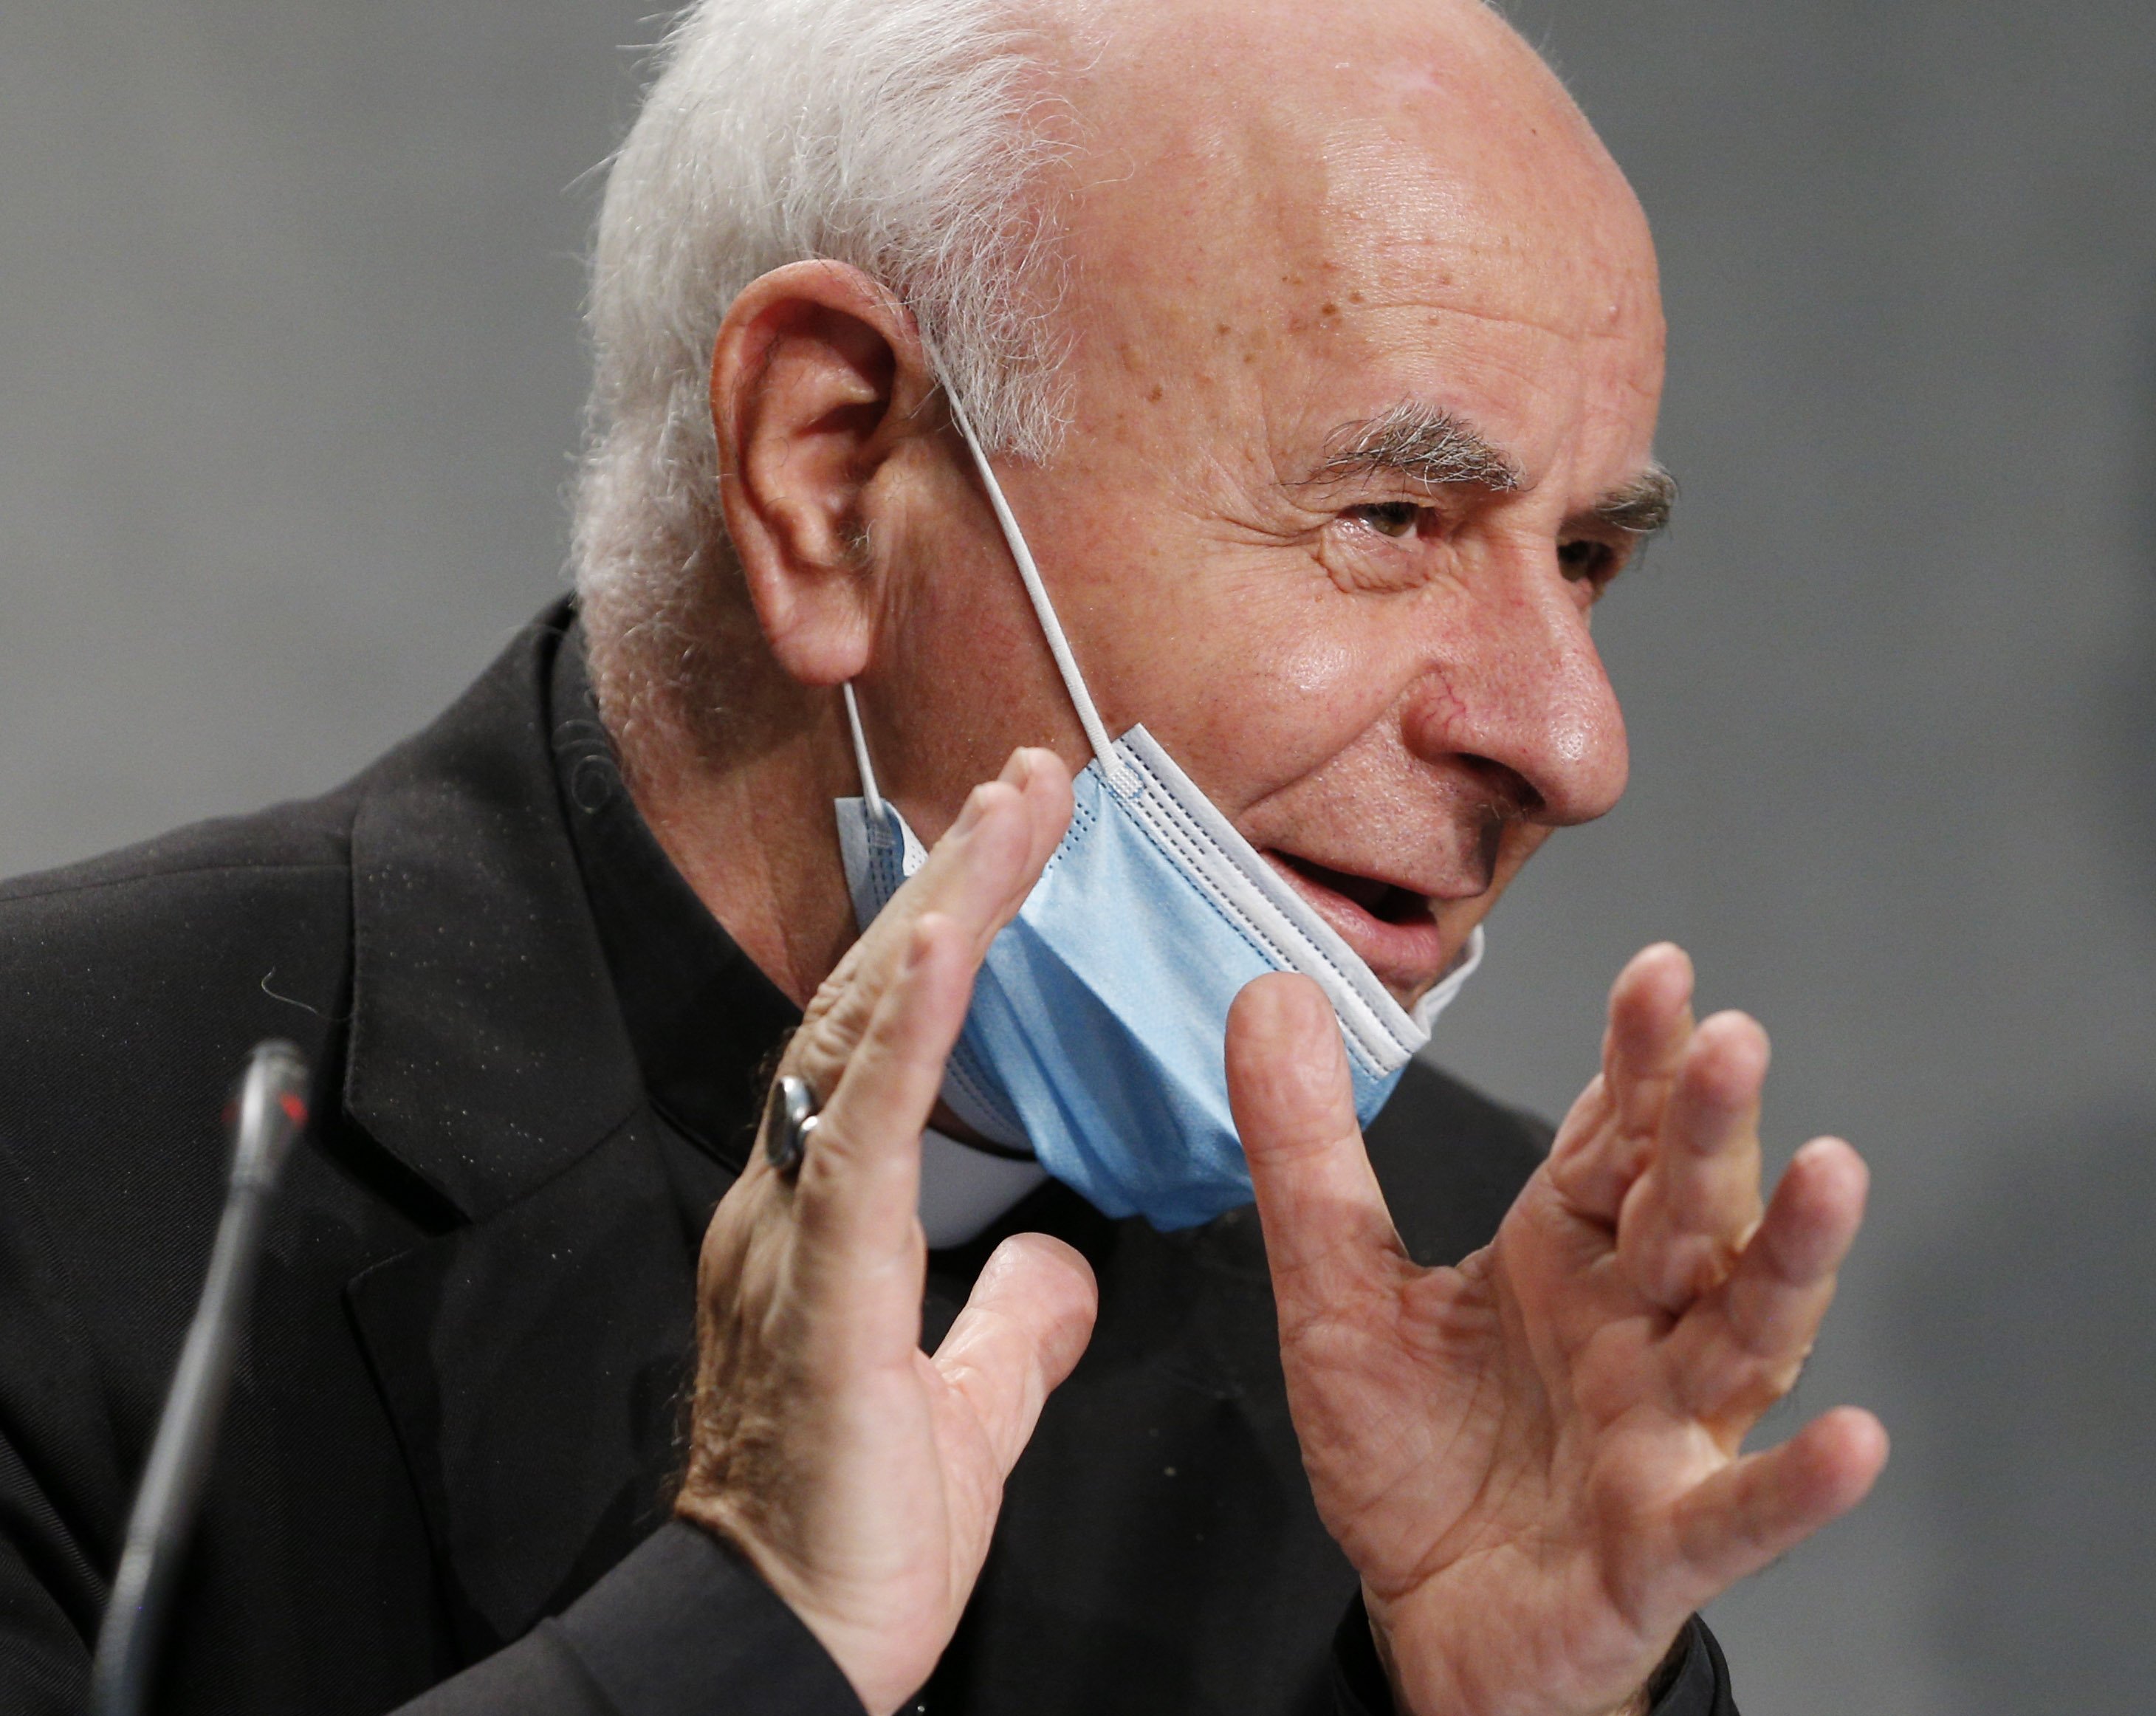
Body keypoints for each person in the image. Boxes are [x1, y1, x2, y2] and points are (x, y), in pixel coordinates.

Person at [0, 0, 1886, 1712]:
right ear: (828, 477)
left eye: (1581, 559)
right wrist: (739, 1638)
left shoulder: (1474, 1299)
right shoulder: (56, 1141)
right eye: (1389, 515)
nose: (1573, 740)